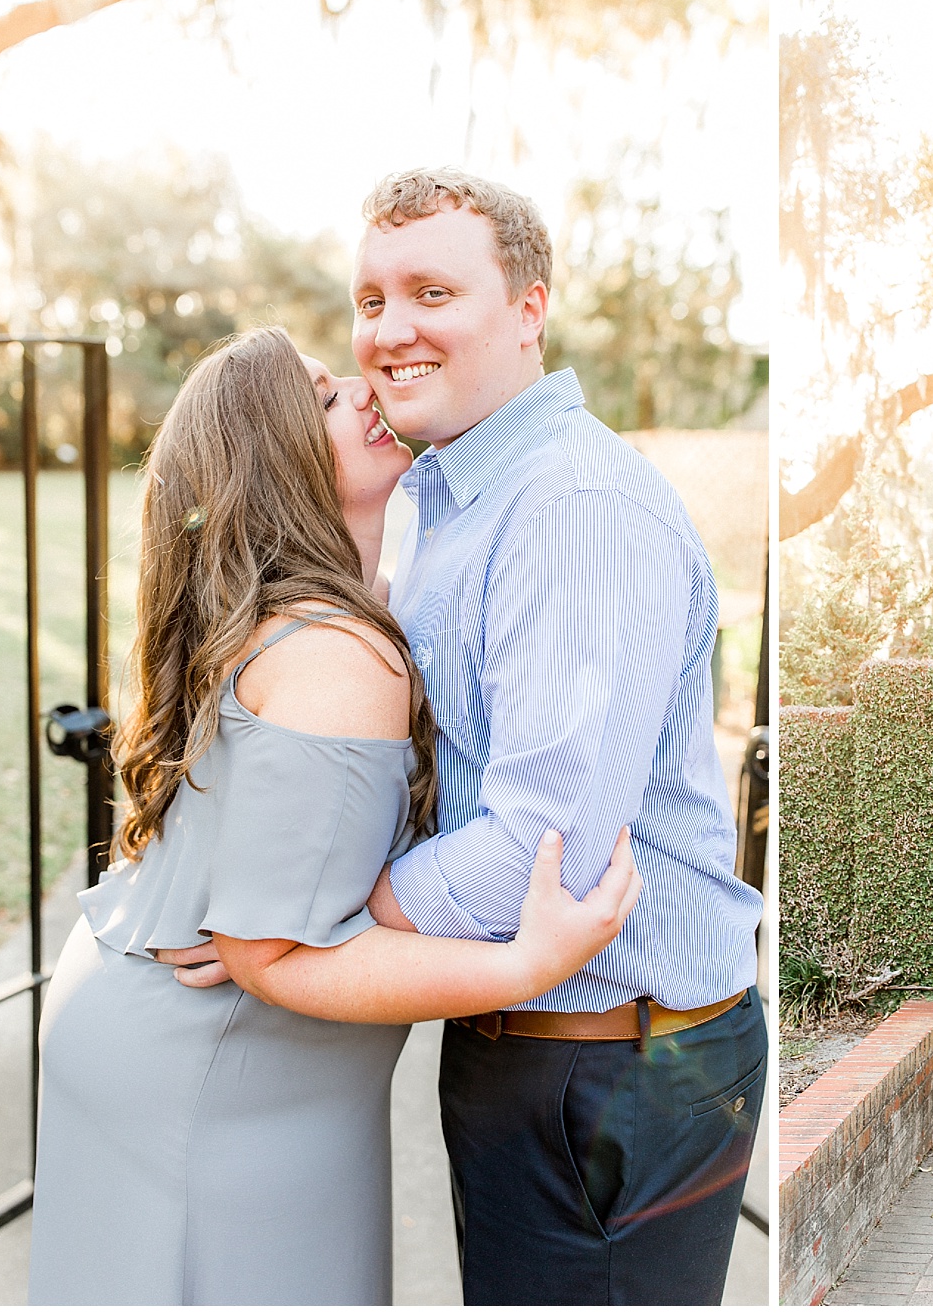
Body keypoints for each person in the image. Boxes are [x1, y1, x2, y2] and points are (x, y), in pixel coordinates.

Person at [159, 169, 765, 1304]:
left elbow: (545, 849)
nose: (390, 331)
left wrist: (313, 922)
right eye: (372, 299)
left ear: (530, 309)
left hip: (617, 1071)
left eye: (432, 290)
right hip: (525, 1045)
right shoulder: (453, 498)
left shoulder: (571, 509)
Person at [27, 327, 641, 1306]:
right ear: (271, 461)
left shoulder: (335, 616)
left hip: (201, 1055)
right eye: (319, 397)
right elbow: (266, 947)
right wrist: (523, 966)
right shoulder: (331, 651)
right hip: (214, 1080)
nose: (363, 390)